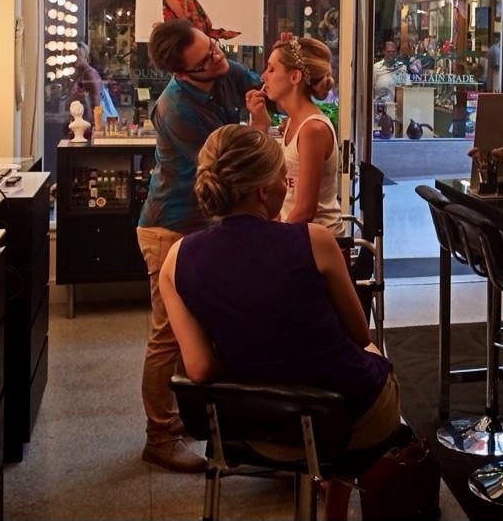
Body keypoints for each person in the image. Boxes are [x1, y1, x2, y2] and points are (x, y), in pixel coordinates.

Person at [158, 125, 402, 520]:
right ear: (262, 190)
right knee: (371, 355)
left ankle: (326, 483)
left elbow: (199, 369)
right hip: (346, 421)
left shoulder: (176, 260)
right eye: (282, 177)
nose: (287, 184)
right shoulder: (315, 241)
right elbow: (359, 336)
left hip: (255, 429)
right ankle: (335, 502)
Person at [135, 18, 260, 473]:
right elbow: (227, 163)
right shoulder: (175, 109)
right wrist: (259, 125)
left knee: (205, 325)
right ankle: (159, 436)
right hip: (168, 227)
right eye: (205, 59)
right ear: (183, 73)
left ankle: (189, 417)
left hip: (204, 223)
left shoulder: (220, 67)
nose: (217, 57)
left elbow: (261, 85)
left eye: (212, 46)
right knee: (168, 334)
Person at [246, 34, 344, 235]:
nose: (263, 77)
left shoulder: (312, 130)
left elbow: (305, 210)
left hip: (317, 243)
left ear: (295, 77)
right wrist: (259, 125)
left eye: (271, 69)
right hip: (296, 234)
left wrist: (272, 242)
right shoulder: (292, 122)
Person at [69, 42, 103, 116]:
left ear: (84, 56)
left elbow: (96, 101)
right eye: (71, 56)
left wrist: (95, 120)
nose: (73, 59)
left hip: (87, 119)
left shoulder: (89, 73)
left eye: (77, 56)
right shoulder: (79, 72)